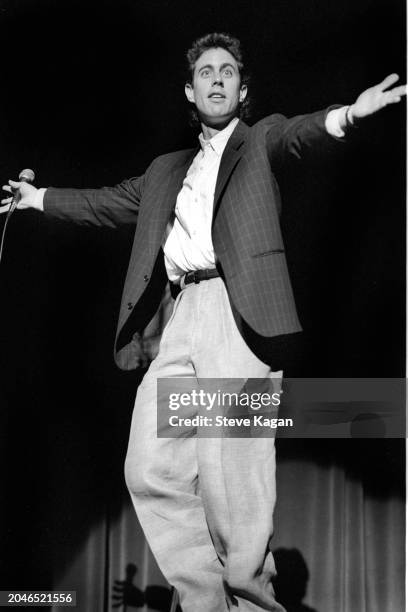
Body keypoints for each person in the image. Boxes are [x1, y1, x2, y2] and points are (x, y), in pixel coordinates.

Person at [1, 32, 405, 612]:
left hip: (234, 313)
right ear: (189, 91)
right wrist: (37, 199)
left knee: (229, 479)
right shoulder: (167, 169)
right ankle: (205, 602)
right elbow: (107, 202)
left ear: (242, 92)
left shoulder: (258, 140)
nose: (217, 78)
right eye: (206, 72)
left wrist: (347, 115)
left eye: (229, 72)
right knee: (148, 468)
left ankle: (251, 601)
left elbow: (298, 136)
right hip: (179, 318)